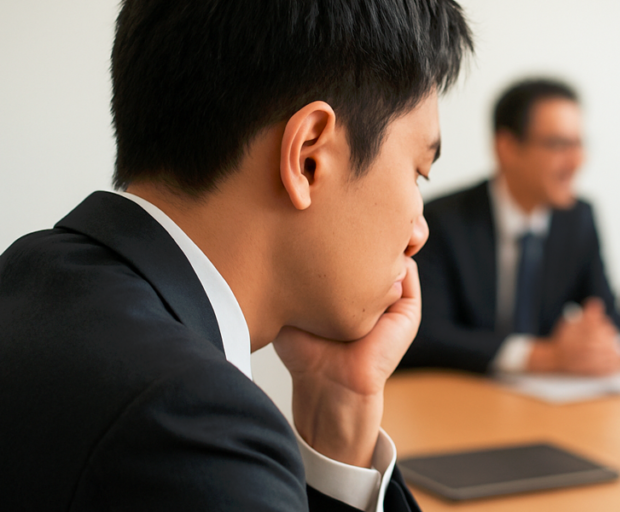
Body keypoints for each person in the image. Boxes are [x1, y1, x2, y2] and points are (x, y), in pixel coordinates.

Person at [0, 1, 472, 510]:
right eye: (418, 172)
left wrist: (340, 412)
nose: (419, 232)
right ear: (308, 157)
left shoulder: (28, 272)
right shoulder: (193, 425)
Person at [400, 79, 620, 375]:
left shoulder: (579, 219)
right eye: (559, 145)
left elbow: (612, 317)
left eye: (579, 144)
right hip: (461, 400)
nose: (576, 161)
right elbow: (423, 333)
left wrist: (597, 341)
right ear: (507, 148)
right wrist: (541, 356)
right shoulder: (442, 220)